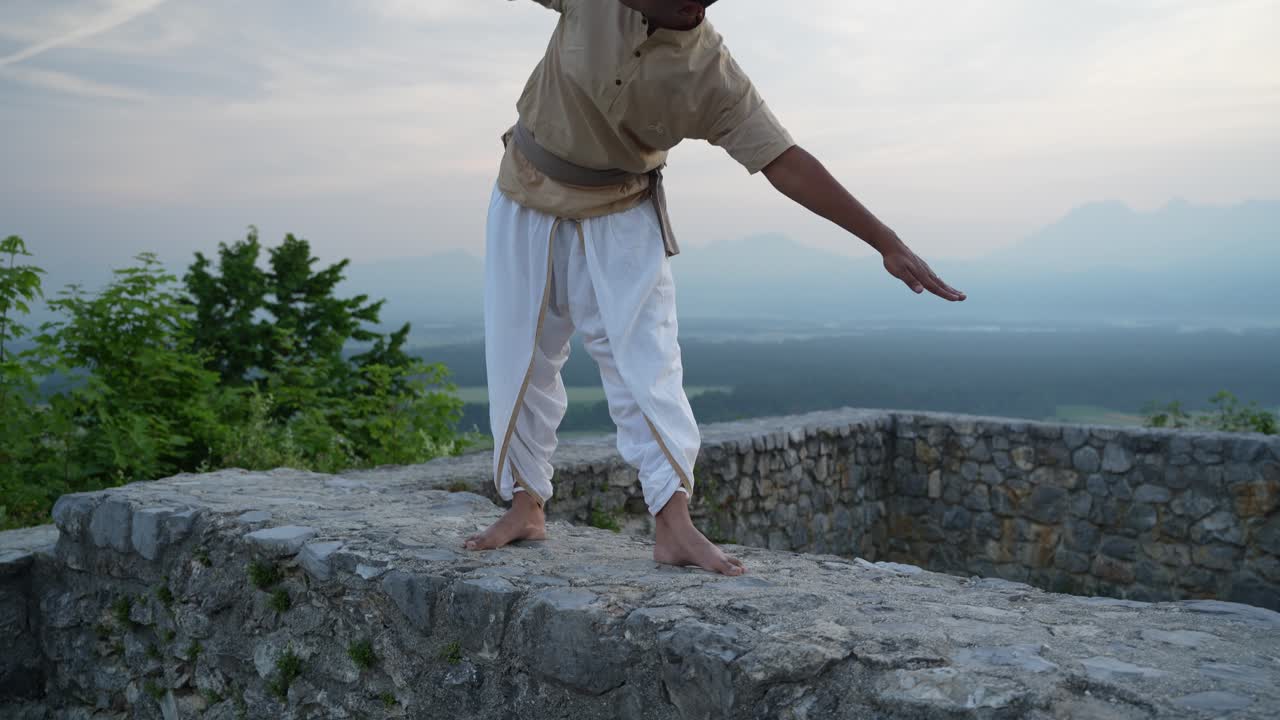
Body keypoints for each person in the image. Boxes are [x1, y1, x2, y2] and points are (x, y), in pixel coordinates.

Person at [465, 0, 965, 576]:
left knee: (646, 366)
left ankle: (673, 523)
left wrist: (883, 239)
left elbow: (785, 161)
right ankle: (525, 505)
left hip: (620, 214)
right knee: (518, 354)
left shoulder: (712, 75)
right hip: (523, 192)